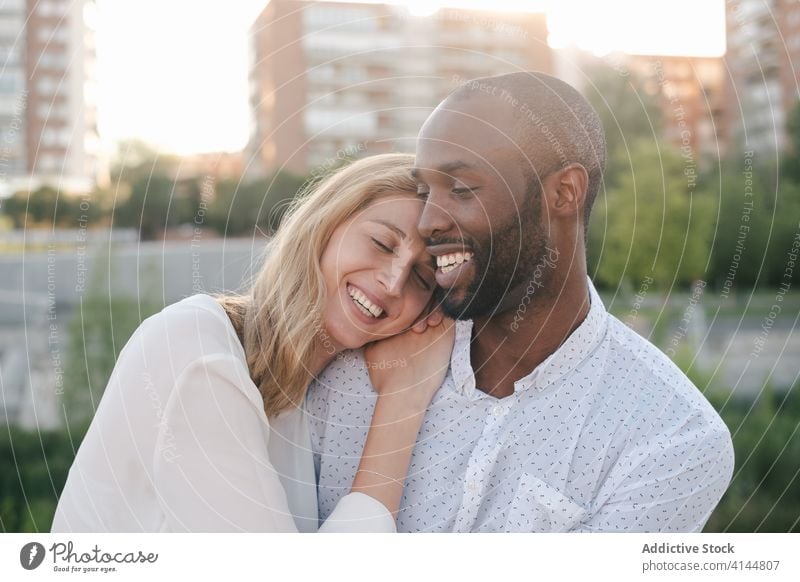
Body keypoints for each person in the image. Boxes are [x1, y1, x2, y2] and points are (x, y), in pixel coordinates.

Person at [308, 72, 735, 532]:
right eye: (424, 192)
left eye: (462, 189)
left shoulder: (671, 438)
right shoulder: (365, 346)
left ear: (564, 193)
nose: (429, 221)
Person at [52, 153, 454, 533]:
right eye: (382, 243)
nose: (394, 280)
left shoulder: (306, 401)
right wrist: (403, 399)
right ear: (325, 226)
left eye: (422, 277)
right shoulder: (196, 353)